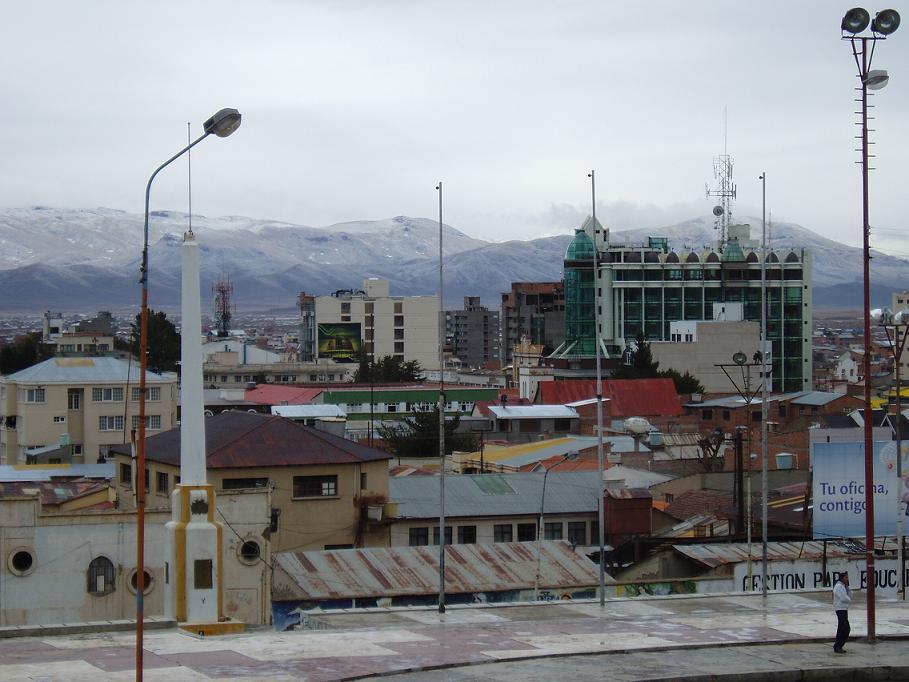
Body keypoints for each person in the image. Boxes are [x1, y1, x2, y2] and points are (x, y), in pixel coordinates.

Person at [833, 572, 852, 653]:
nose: (847, 579)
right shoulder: (838, 586)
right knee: (844, 628)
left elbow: (850, 595)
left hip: (844, 609)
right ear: (842, 578)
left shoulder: (844, 587)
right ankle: (838, 646)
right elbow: (844, 598)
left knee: (843, 628)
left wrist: (848, 588)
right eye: (846, 578)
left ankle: (839, 646)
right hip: (840, 609)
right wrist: (849, 600)